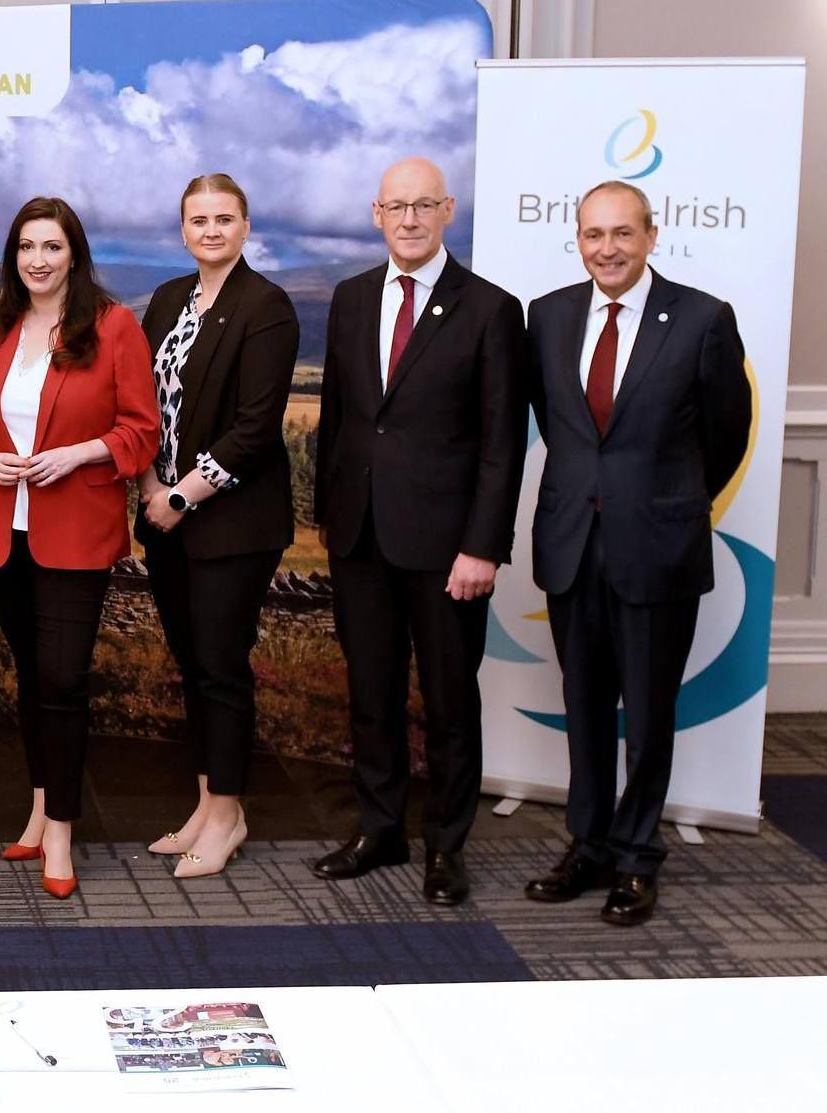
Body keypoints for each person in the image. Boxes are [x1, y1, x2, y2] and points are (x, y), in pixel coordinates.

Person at [522, 180, 750, 926]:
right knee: (584, 704)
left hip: (656, 546)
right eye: (593, 234)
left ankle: (636, 857)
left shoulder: (702, 319)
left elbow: (724, 435)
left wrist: (661, 499)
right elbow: (560, 428)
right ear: (578, 239)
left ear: (652, 236)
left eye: (622, 234)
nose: (607, 249)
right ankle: (587, 845)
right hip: (571, 544)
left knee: (648, 713)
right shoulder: (548, 315)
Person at [311, 157, 525, 906]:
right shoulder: (350, 298)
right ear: (376, 214)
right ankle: (379, 828)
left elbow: (504, 442)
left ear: (447, 211)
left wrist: (483, 546)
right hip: (361, 536)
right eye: (395, 207)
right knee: (370, 693)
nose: (408, 219)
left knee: (448, 700)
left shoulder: (492, 310)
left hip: (447, 550)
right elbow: (339, 416)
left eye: (422, 205)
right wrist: (329, 519)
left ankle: (446, 845)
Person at [0, 197, 158, 900]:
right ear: (13, 256)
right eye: (26, 247)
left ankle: (62, 831)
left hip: (76, 531)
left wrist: (79, 453)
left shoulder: (112, 328)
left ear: (73, 253)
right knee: (31, 676)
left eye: (51, 246)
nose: (38, 260)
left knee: (63, 680)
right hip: (3, 529)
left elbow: (142, 431)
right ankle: (40, 805)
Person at [137, 173, 298, 879]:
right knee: (195, 666)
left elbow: (256, 429)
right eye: (198, 219)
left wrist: (180, 496)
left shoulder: (267, 307)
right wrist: (150, 485)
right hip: (166, 516)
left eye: (223, 218)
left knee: (223, 669)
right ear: (182, 229)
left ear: (245, 225)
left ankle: (229, 815)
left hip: (231, 524)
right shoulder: (171, 299)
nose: (210, 230)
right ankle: (205, 803)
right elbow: (140, 401)